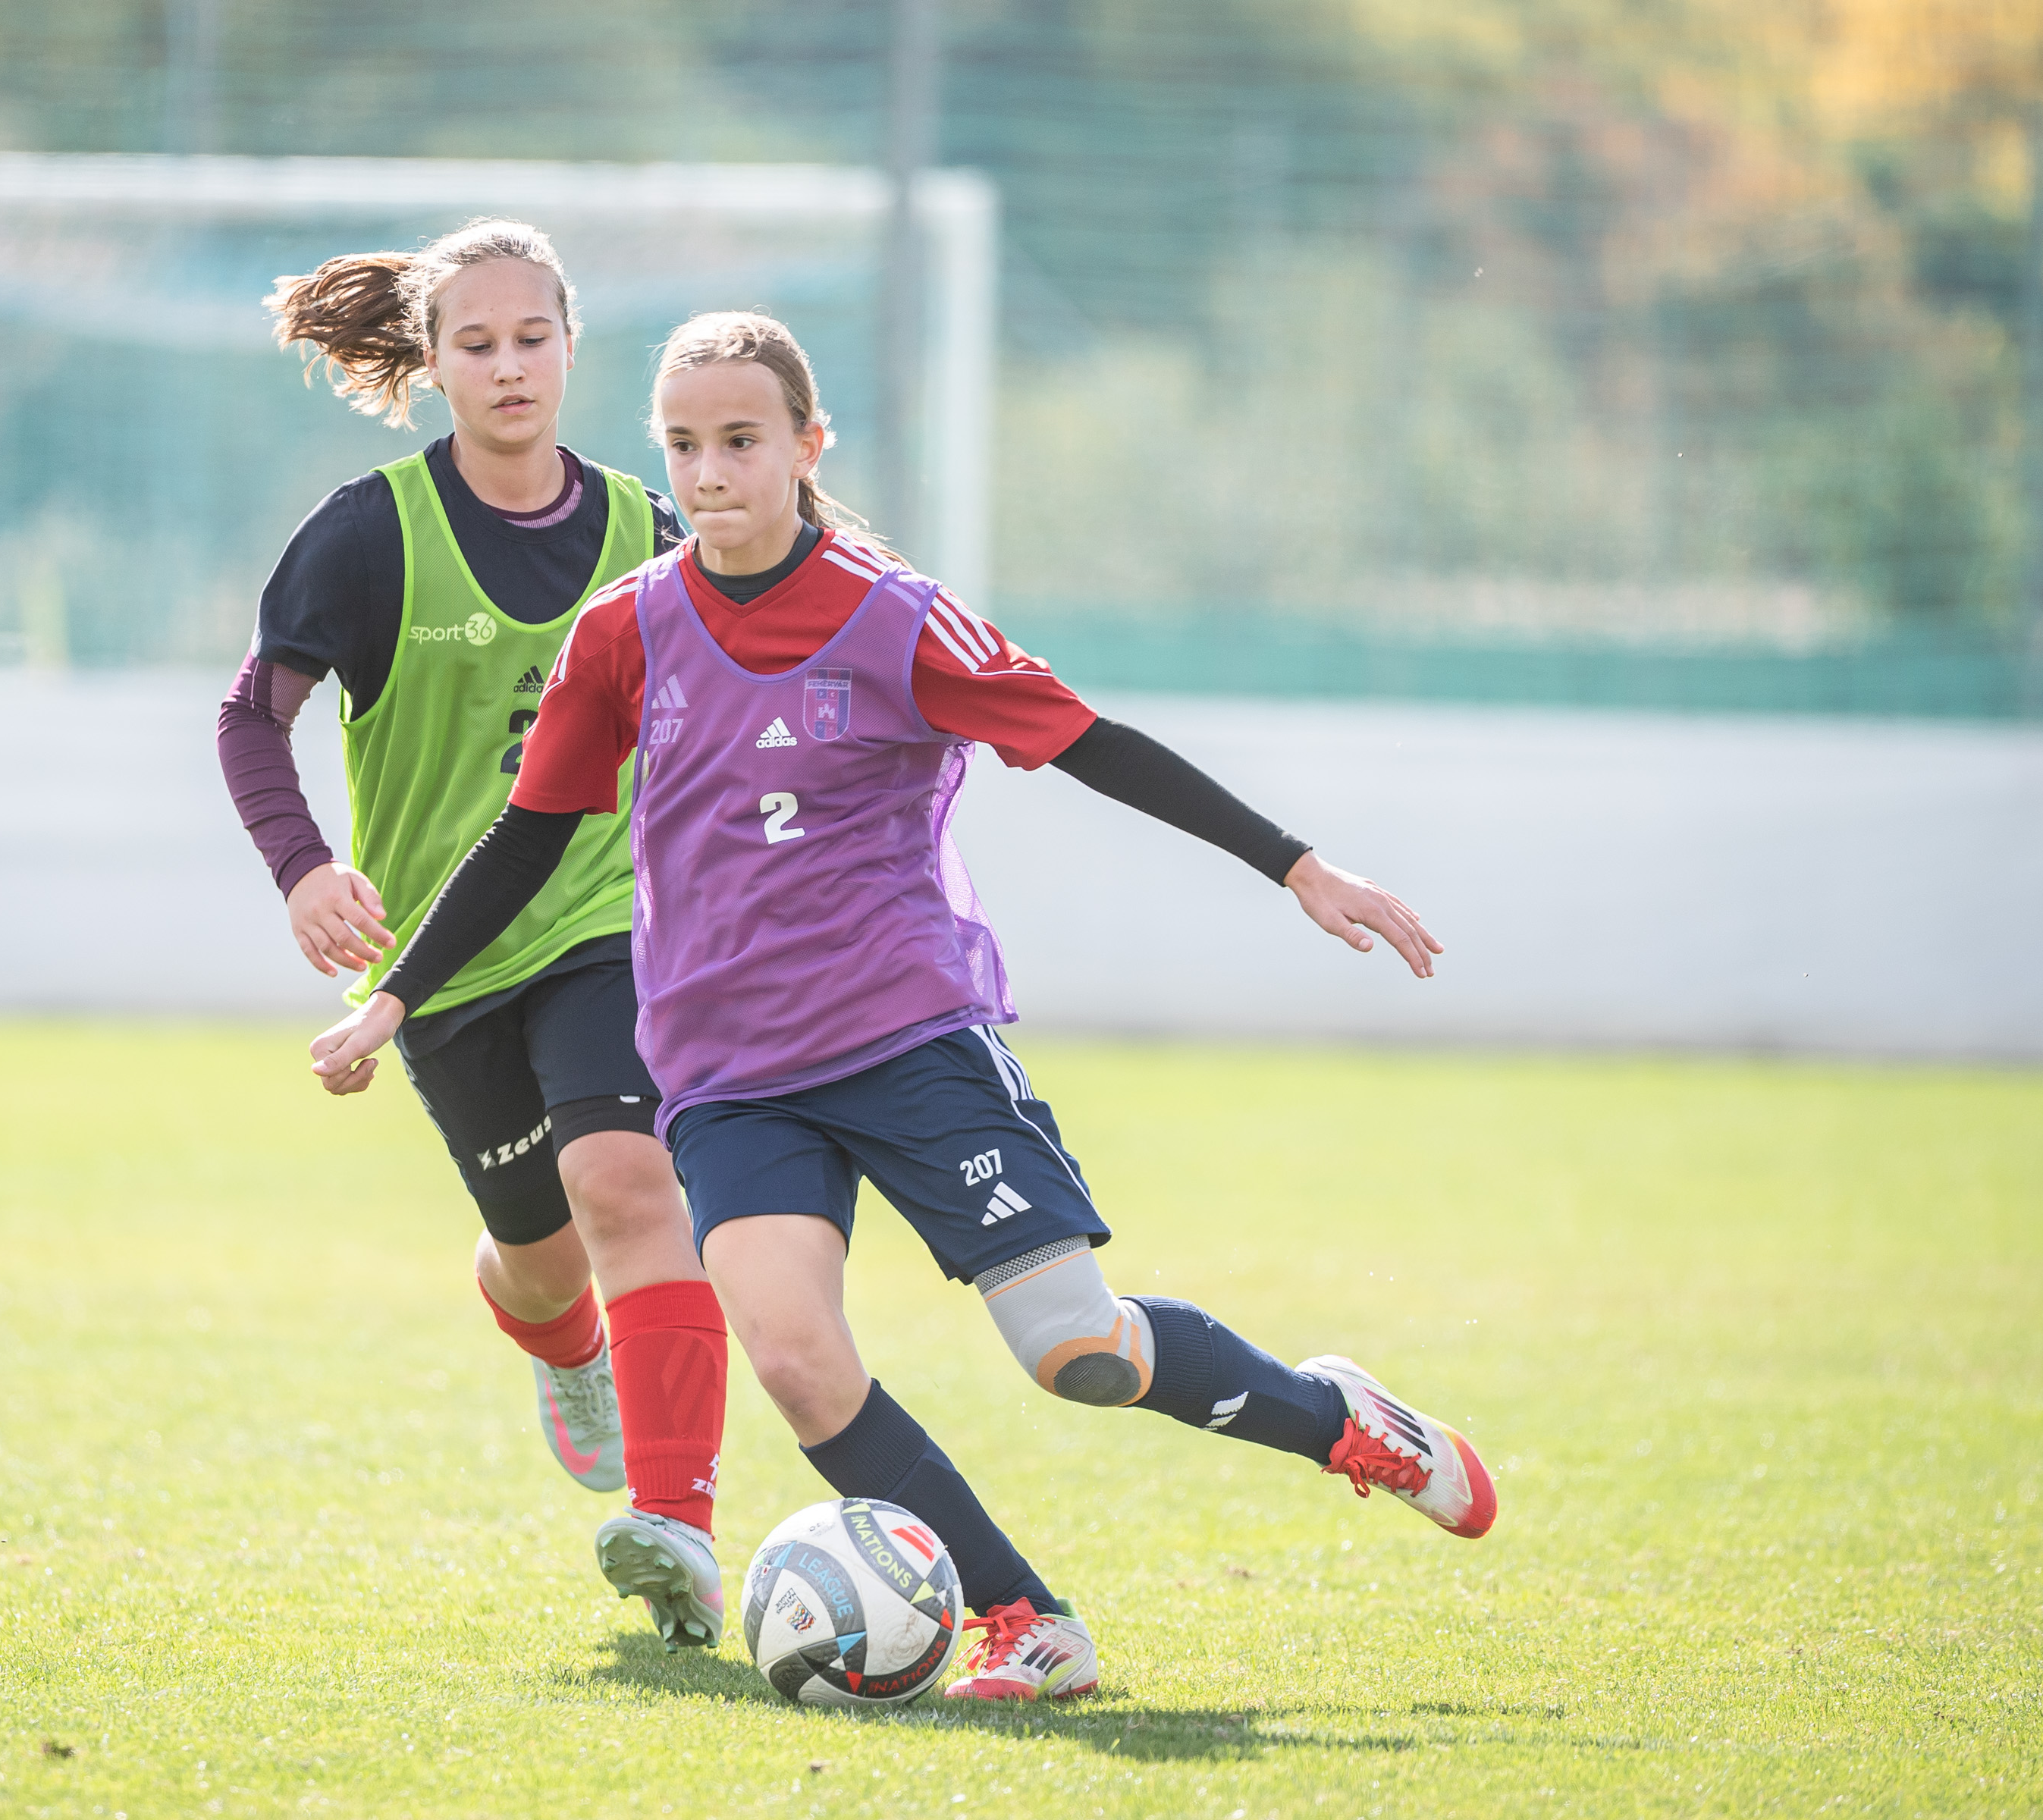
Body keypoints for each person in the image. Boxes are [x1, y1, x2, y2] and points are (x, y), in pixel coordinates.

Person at [309, 310, 1497, 1702]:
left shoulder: (893, 617)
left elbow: (1092, 743)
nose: (710, 473)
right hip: (727, 1080)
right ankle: (1026, 1621)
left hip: (908, 1044)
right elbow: (526, 835)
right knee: (798, 1363)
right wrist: (396, 996)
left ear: (808, 446)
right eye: (683, 446)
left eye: (741, 440)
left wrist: (1296, 865)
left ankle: (1337, 1417)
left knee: (1079, 1354)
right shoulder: (623, 630)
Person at [218, 222, 729, 1649]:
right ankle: (564, 1349)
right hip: (442, 956)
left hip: (606, 920)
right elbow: (252, 718)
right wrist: (304, 869)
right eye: (478, 343)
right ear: (433, 364)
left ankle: (679, 1523)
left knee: (630, 1183)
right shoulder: (366, 534)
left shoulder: (648, 529)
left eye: (533, 338)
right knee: (545, 1262)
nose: (510, 367)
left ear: (573, 347)